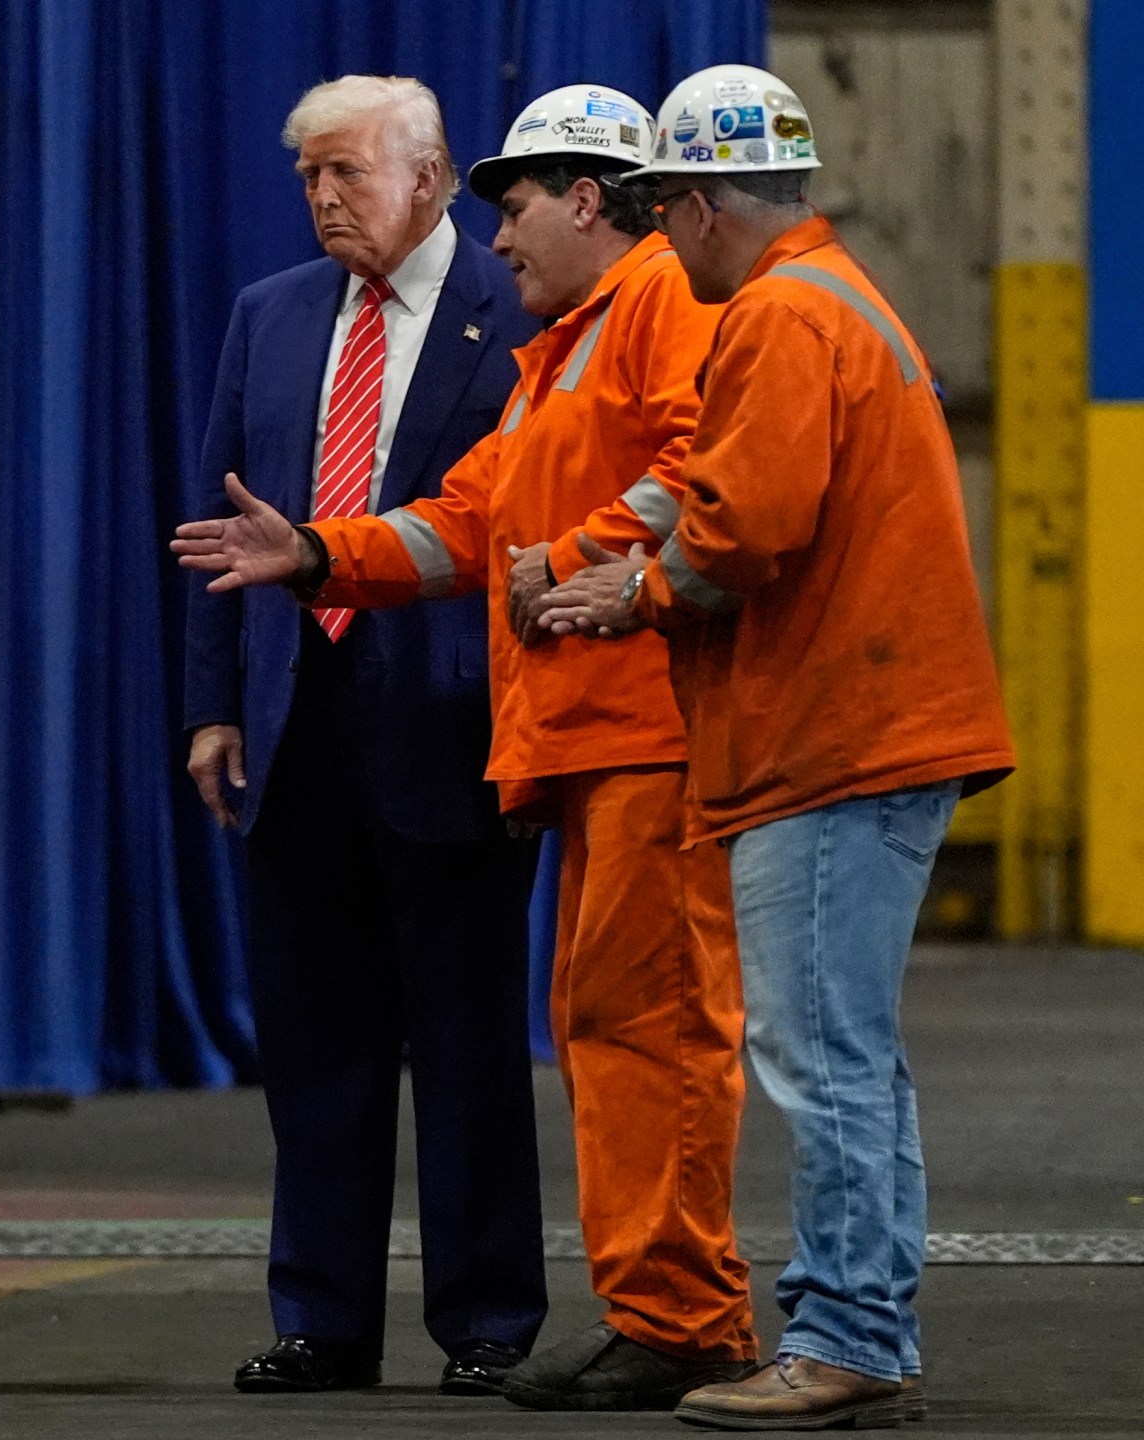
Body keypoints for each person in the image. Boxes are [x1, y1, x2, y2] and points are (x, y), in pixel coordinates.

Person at [176, 84, 761, 1411]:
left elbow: (691, 472)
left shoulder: (628, 311)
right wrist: (311, 564)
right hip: (432, 731)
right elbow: (436, 518)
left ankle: (615, 1316)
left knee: (578, 1038)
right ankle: (600, 1316)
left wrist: (569, 561)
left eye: (514, 210)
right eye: (306, 178)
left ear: (581, 200)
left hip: (557, 730)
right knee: (533, 1034)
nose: (499, 241)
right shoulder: (543, 345)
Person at [531, 64, 1012, 1430]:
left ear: (688, 209)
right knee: (848, 1051)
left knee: (822, 1055)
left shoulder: (780, 319)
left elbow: (745, 526)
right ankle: (864, 1333)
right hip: (875, 734)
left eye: (660, 215)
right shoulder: (844, 298)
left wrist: (628, 590)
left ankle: (848, 1339)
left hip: (831, 744)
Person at [173, 74, 547, 1397]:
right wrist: (215, 704)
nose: (327, 199)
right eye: (311, 179)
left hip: (453, 726)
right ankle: (323, 1317)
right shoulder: (268, 316)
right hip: (296, 722)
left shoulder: (519, 313)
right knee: (316, 1045)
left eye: (352, 175)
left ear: (433, 181)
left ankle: (488, 1315)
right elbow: (221, 529)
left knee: (466, 1041)